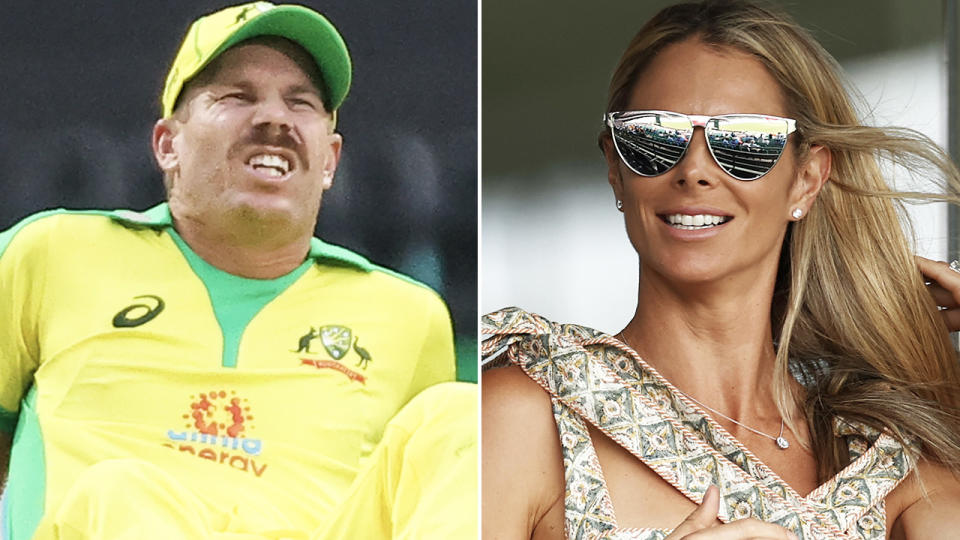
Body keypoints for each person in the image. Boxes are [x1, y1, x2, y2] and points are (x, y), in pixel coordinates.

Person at [482, 1, 960, 538]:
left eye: (745, 141)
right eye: (655, 137)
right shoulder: (520, 417)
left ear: (806, 179)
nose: (693, 171)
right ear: (616, 170)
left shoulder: (886, 460)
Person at [0, 3, 476, 538]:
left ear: (330, 161)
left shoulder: (408, 317)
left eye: (301, 103)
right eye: (237, 97)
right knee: (121, 493)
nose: (274, 118)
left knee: (464, 418)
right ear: (167, 144)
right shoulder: (52, 252)